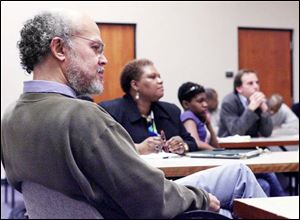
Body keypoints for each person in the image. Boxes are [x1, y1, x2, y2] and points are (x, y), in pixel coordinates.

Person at [1, 10, 267, 219]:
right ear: (59, 49)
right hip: (136, 210)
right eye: (96, 48)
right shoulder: (81, 117)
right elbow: (149, 198)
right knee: (239, 176)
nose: (104, 60)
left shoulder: (10, 117)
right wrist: (200, 198)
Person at [100, 59, 197, 155]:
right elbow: (104, 148)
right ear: (135, 85)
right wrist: (138, 149)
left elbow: (191, 142)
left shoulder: (171, 111)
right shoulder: (110, 111)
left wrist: (182, 146)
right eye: (152, 77)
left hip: (170, 169)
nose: (160, 81)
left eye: (159, 77)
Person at [218, 69, 286, 197]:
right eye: (250, 83)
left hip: (252, 151)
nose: (256, 86)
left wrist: (265, 111)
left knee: (265, 183)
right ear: (239, 88)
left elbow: (266, 132)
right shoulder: (229, 101)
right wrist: (251, 109)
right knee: (269, 172)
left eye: (257, 82)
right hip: (231, 152)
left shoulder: (257, 101)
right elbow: (236, 131)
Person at [178, 82, 219, 150]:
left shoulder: (198, 116)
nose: (205, 104)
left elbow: (215, 145)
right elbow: (195, 142)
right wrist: (216, 151)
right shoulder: (188, 116)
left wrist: (209, 125)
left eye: (206, 100)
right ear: (186, 104)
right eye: (200, 101)